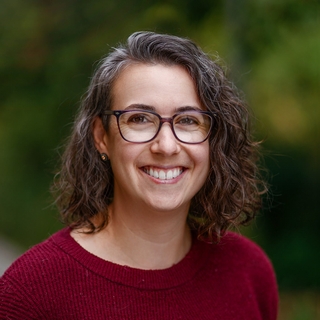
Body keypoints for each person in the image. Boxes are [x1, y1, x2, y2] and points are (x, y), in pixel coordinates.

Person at [0, 31, 278, 319]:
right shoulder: (30, 293)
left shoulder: (248, 272)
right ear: (101, 137)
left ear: (213, 140)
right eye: (140, 119)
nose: (166, 146)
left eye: (188, 120)